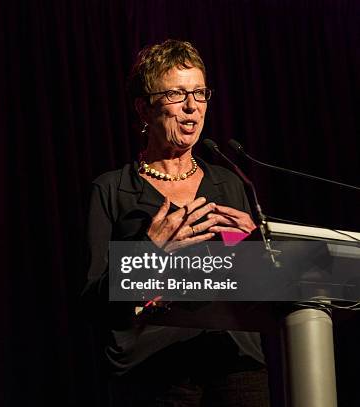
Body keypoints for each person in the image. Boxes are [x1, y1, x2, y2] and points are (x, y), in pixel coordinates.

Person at [84, 40, 270, 406]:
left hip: (235, 363)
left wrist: (256, 247)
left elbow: (251, 281)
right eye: (176, 94)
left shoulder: (228, 182)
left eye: (200, 93)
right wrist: (147, 252)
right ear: (144, 108)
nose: (192, 107)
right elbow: (93, 301)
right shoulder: (112, 189)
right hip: (154, 370)